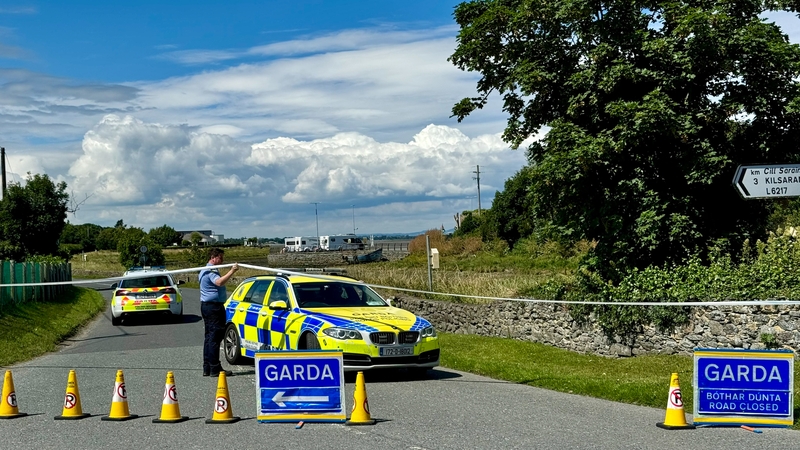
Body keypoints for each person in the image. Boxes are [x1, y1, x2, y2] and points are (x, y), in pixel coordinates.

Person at [199, 248, 238, 377]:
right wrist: (232, 271)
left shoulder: (206, 270)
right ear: (213, 257)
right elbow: (219, 282)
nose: (222, 261)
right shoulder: (210, 270)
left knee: (209, 337)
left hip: (208, 306)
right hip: (213, 308)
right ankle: (215, 367)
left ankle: (207, 367)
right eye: (220, 258)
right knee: (214, 338)